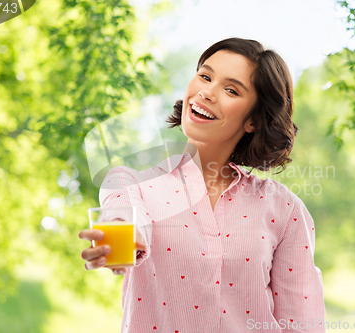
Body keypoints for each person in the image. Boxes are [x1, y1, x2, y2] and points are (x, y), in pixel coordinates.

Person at [79, 37, 326, 332]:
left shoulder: (283, 209)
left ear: (254, 120)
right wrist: (120, 237)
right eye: (205, 76)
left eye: (231, 90)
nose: (207, 92)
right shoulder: (132, 184)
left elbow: (302, 322)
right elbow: (122, 213)